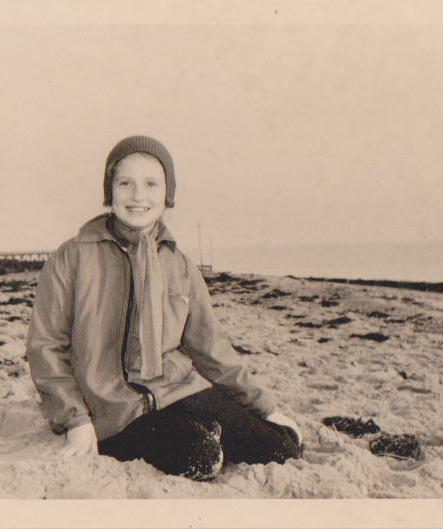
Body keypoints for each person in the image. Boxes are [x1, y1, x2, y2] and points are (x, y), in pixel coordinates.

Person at [26, 135, 302, 481]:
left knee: (284, 447)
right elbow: (45, 347)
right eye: (125, 183)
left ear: (167, 195)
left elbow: (213, 349)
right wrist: (76, 421)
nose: (138, 196)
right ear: (109, 191)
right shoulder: (72, 257)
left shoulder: (180, 265)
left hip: (180, 391)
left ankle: (206, 429)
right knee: (200, 456)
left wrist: (267, 408)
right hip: (116, 413)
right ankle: (201, 437)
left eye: (151, 184)